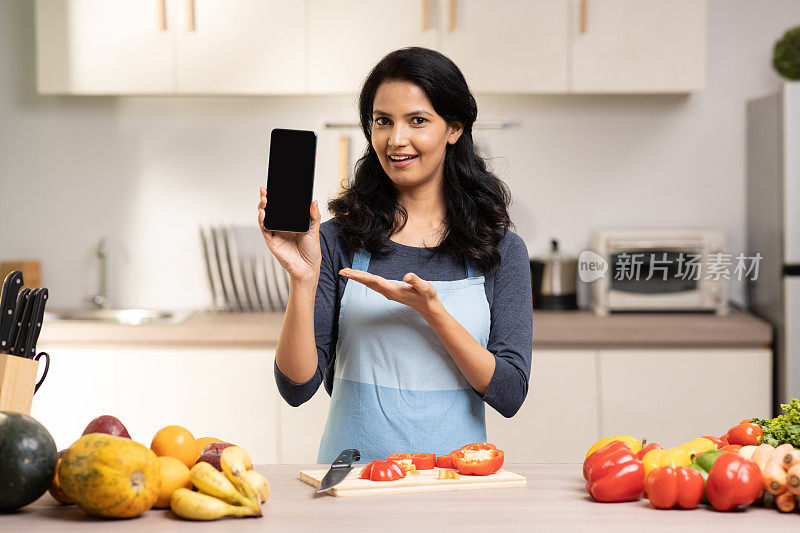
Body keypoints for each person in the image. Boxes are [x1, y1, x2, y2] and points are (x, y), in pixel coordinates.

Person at [257, 47, 533, 464]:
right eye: (382, 121)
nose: (395, 139)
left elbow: (509, 393)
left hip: (453, 484)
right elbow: (297, 388)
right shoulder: (338, 239)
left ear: (454, 128)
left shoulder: (500, 250)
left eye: (417, 120)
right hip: (351, 484)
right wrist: (302, 279)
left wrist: (432, 312)